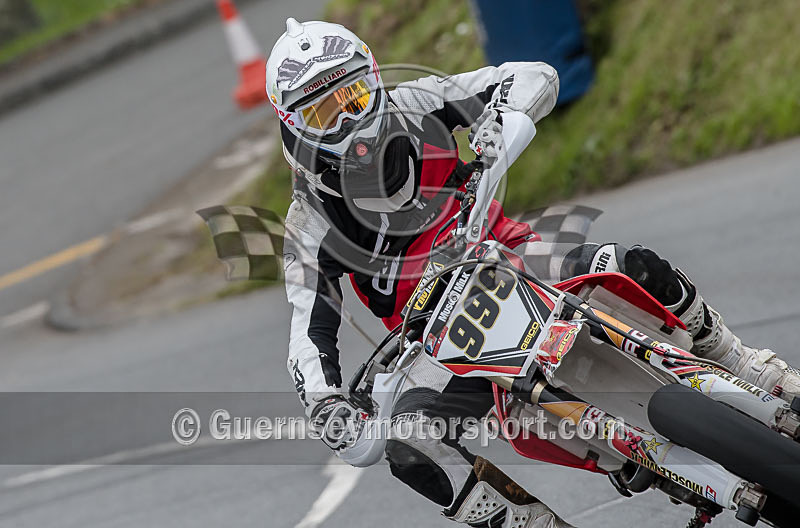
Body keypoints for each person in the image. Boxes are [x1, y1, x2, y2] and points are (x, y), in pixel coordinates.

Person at [267, 18, 800, 528]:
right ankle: (533, 522)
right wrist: (327, 403)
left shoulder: (421, 102)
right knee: (411, 447)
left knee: (630, 264)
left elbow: (532, 75)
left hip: (507, 254)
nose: (349, 122)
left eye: (354, 98)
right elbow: (307, 333)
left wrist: (502, 126)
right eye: (324, 115)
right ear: (295, 129)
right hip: (432, 338)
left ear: (376, 78)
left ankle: (744, 363)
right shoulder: (308, 223)